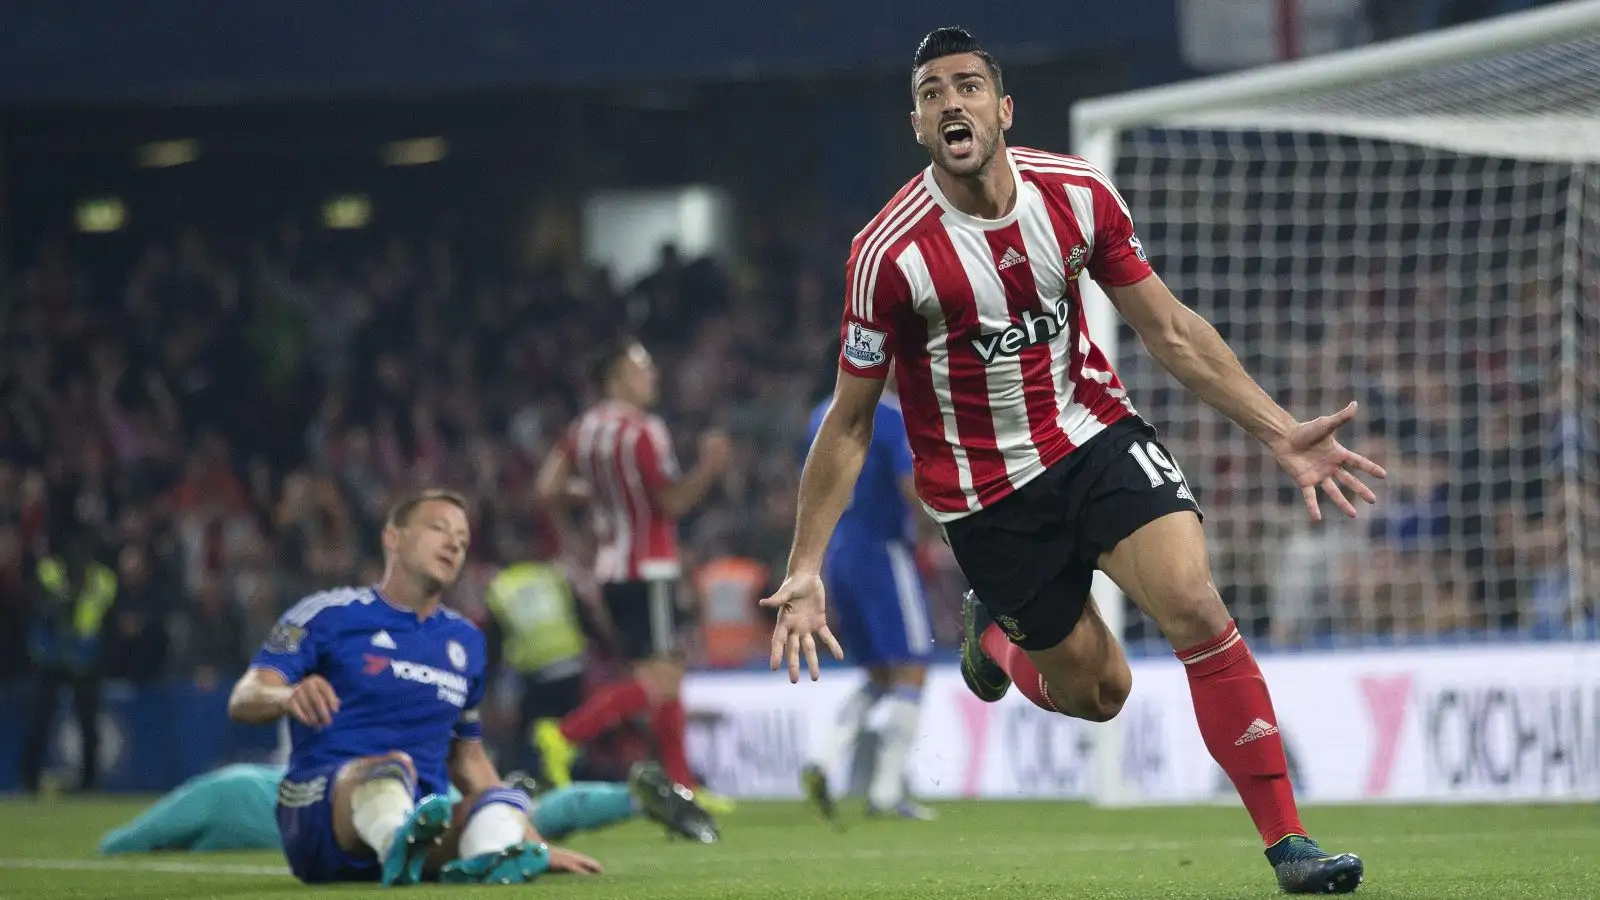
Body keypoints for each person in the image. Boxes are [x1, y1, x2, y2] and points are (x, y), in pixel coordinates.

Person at [761, 27, 1385, 895]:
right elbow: (851, 423)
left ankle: (1289, 845)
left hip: (1093, 435)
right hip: (985, 497)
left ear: (1003, 109)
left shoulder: (1077, 194)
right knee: (1102, 693)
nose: (952, 102)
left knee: (1196, 604)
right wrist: (805, 565)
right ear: (916, 122)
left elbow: (1167, 328)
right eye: (933, 91)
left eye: (968, 85)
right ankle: (999, 639)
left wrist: (1277, 430)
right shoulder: (888, 255)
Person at [226, 489, 602, 886]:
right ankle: (397, 842)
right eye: (439, 528)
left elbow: (469, 759)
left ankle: (488, 858)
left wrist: (532, 841)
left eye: (462, 538)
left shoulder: (466, 641)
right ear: (394, 537)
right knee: (389, 769)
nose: (453, 543)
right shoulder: (327, 614)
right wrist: (287, 695)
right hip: (320, 817)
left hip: (424, 817)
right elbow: (245, 697)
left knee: (500, 802)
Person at [532, 337, 731, 807]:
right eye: (643, 370)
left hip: (611, 569)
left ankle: (684, 787)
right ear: (617, 379)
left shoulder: (582, 430)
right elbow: (672, 501)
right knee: (659, 680)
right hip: (650, 566)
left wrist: (605, 499)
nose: (653, 377)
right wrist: (709, 467)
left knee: (665, 675)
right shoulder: (645, 430)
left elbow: (546, 490)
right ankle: (563, 734)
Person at [797, 359, 936, 821]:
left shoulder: (823, 413)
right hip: (884, 552)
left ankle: (824, 756)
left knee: (879, 674)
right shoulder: (890, 413)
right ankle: (885, 790)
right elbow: (912, 485)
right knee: (912, 668)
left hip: (837, 553)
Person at [98, 761, 718, 856]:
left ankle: (513, 799)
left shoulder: (225, 789)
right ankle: (624, 799)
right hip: (386, 792)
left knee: (480, 828)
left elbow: (130, 843)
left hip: (360, 812)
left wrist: (117, 847)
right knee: (490, 820)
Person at [20, 528, 117, 793]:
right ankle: (29, 779)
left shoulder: (103, 580)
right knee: (40, 717)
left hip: (84, 656)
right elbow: (37, 609)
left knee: (88, 721)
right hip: (51, 654)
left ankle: (89, 782)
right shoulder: (49, 573)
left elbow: (106, 622)